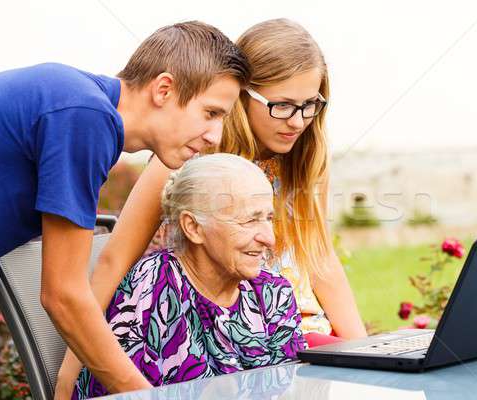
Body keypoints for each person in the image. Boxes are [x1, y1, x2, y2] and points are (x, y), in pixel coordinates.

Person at [58, 18, 366, 394]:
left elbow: (321, 258)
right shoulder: (190, 154)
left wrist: (367, 351)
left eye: (310, 106)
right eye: (282, 106)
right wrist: (69, 371)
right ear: (240, 96)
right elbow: (114, 259)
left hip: (286, 331)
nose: (298, 121)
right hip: (213, 342)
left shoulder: (302, 158)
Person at [0, 21, 250, 395]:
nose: (215, 136)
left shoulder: (84, 109)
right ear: (164, 89)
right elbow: (63, 294)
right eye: (210, 113)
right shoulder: (85, 116)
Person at [72, 153, 306, 399]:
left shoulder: (273, 291)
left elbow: (292, 390)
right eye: (249, 220)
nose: (269, 238)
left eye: (269, 218)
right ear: (193, 227)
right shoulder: (153, 288)